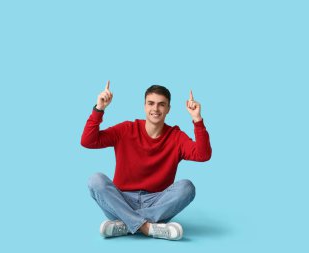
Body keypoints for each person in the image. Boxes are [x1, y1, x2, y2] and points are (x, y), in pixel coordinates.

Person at [81, 81, 212, 240]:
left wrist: (197, 120)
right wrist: (99, 108)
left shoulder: (176, 137)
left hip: (157, 203)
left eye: (161, 104)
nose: (155, 109)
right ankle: (147, 227)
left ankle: (125, 224)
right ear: (144, 106)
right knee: (95, 180)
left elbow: (203, 154)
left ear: (168, 109)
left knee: (187, 187)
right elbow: (88, 141)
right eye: (151, 103)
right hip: (122, 200)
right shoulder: (126, 129)